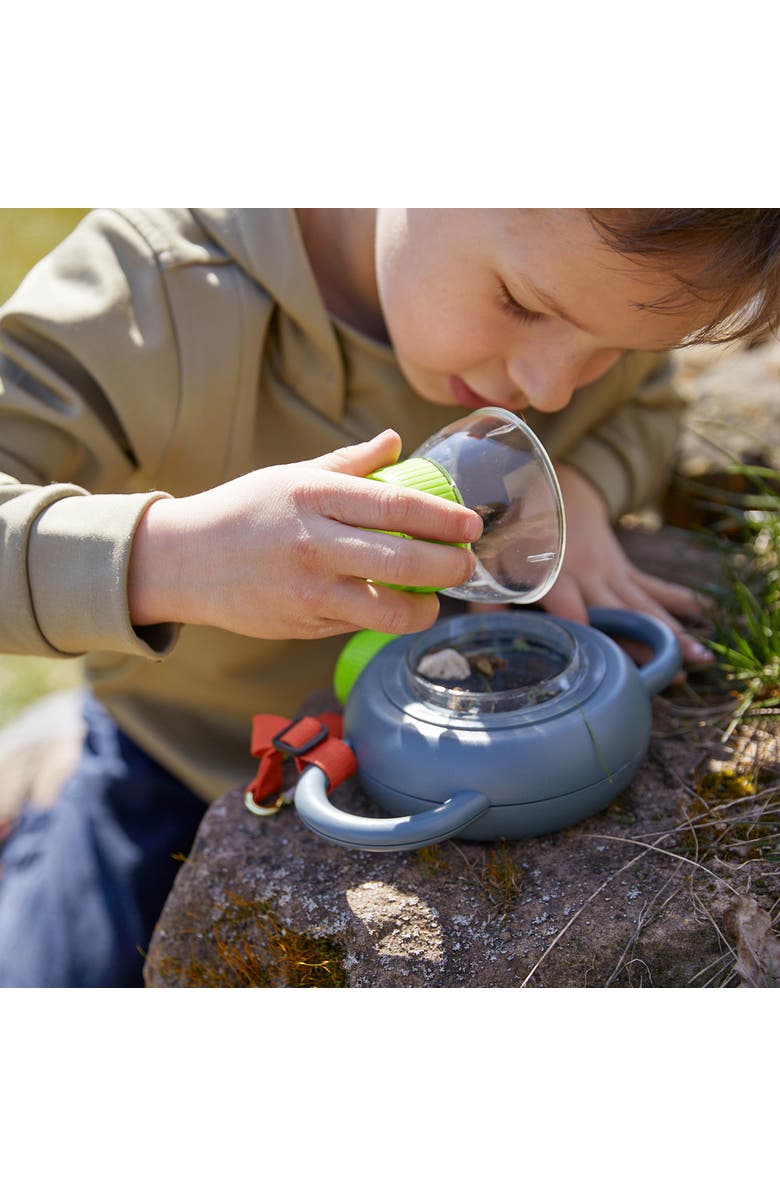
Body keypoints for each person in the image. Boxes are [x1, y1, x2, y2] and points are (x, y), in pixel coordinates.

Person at [1, 207, 778, 987]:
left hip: (435, 757)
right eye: (523, 303)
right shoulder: (150, 293)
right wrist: (169, 559)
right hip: (178, 756)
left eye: (611, 347)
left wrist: (584, 484)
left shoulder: (587, 288)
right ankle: (43, 774)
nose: (551, 385)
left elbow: (648, 407)